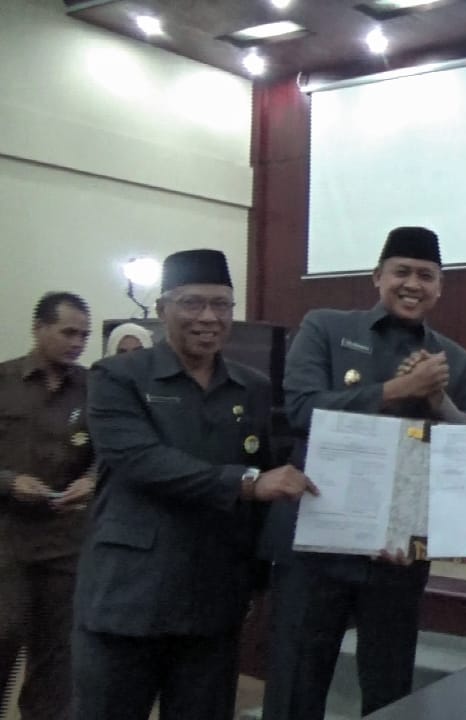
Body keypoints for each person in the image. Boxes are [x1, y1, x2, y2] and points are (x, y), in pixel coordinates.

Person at [72, 249, 316, 720]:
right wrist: (247, 483)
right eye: (192, 303)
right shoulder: (117, 376)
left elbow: (275, 469)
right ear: (162, 309)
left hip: (213, 597)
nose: (208, 317)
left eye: (221, 305)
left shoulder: (252, 386)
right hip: (129, 596)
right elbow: (141, 460)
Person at [263, 226, 466, 720]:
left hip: (396, 552)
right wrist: (399, 389)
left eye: (426, 275)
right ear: (377, 276)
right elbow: (300, 411)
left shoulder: (454, 360)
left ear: (440, 287)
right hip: (316, 541)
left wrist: (437, 400)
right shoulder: (325, 327)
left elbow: (457, 457)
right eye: (401, 272)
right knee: (295, 686)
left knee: (390, 691)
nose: (413, 284)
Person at [0, 292, 95, 720]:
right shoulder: (4, 381)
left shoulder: (93, 388)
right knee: (4, 635)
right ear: (39, 328)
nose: (77, 343)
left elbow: (111, 452)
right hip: (7, 539)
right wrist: (9, 482)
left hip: (66, 540)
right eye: (68, 332)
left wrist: (92, 480)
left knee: (58, 655)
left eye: (84, 335)